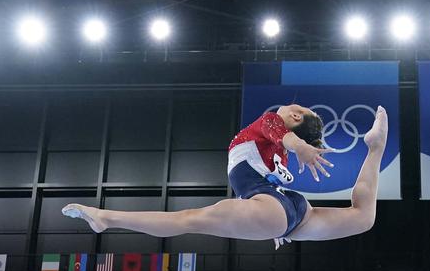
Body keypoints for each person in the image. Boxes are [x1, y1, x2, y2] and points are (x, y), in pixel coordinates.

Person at [63, 105, 388, 251]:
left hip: (272, 207)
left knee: (187, 219)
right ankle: (376, 149)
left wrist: (302, 146)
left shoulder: (272, 123)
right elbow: (283, 143)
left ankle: (106, 217)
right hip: (291, 209)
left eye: (295, 106)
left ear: (295, 115)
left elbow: (283, 134)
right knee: (362, 217)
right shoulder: (275, 148)